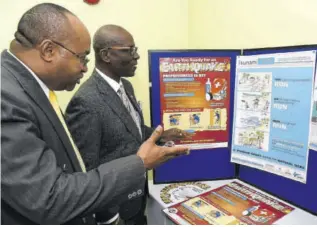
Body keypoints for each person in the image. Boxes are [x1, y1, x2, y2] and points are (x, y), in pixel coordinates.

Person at [1, 3, 189, 225]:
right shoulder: (8, 97)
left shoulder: (32, 87)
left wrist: (159, 137)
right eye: (81, 57)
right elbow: (54, 193)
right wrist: (140, 164)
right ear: (48, 50)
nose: (83, 68)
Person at [65, 24, 191, 224]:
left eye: (136, 50)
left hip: (137, 199)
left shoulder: (127, 86)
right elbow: (85, 171)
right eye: (129, 50)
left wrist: (163, 136)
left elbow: (133, 130)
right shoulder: (86, 102)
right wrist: (109, 217)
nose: (137, 56)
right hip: (114, 211)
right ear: (106, 55)